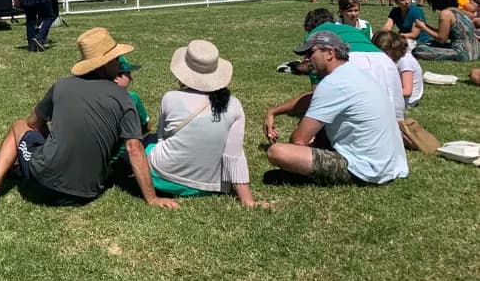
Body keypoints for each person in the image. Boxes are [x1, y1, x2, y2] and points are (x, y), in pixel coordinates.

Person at [0, 27, 178, 209]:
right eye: (115, 58)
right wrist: (151, 198)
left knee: (19, 125)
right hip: (86, 192)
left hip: (45, 186)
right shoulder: (125, 98)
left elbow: (33, 123)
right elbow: (134, 148)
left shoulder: (62, 86)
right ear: (104, 65)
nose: (118, 64)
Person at [266, 30, 408, 186]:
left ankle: (311, 176)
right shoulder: (352, 73)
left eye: (311, 52)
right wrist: (273, 112)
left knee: (277, 152)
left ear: (329, 53)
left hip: (365, 169)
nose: (306, 58)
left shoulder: (333, 84)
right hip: (390, 164)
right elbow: (311, 98)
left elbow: (299, 140)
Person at [146, 40, 269, 207]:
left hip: (163, 178)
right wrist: (248, 200)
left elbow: (162, 138)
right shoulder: (234, 105)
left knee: (146, 143)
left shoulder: (170, 98)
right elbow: (234, 155)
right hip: (210, 186)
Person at [413, 0, 480, 61]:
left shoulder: (445, 14)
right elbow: (444, 33)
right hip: (475, 52)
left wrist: (424, 28)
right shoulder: (457, 11)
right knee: (429, 43)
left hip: (463, 53)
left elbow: (442, 39)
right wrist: (426, 26)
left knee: (418, 50)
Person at [372, 30, 422, 110]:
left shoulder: (405, 60)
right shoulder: (396, 58)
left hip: (407, 101)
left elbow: (407, 91)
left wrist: (381, 92)